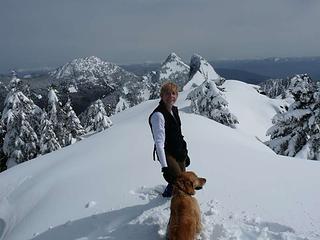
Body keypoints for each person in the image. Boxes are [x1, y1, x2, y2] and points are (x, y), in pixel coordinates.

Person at [149, 82, 190, 197]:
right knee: (179, 180)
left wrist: (185, 152)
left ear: (177, 95)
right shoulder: (158, 116)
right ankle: (168, 197)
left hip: (177, 149)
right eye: (167, 93)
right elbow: (159, 143)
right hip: (167, 152)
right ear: (162, 96)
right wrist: (165, 167)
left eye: (173, 93)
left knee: (182, 176)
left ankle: (171, 190)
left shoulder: (174, 110)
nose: (171, 96)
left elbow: (178, 133)